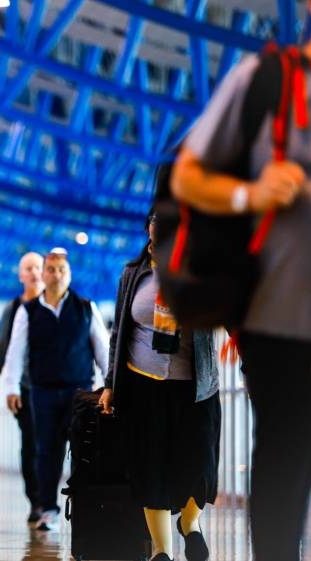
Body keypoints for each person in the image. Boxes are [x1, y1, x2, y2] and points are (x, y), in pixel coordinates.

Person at [171, 2, 311, 557]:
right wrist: (251, 193)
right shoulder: (266, 81)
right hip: (282, 318)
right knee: (288, 468)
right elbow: (187, 175)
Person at [99, 214, 220, 561]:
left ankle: (190, 523)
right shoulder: (132, 274)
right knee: (150, 466)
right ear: (149, 228)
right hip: (143, 384)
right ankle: (161, 550)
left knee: (201, 465)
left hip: (196, 385)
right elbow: (119, 334)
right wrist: (110, 384)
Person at [0, 248, 109, 532]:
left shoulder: (87, 308)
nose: (56, 274)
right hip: (42, 392)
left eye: (62, 269)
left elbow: (103, 351)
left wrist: (111, 385)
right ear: (43, 274)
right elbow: (15, 351)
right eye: (51, 269)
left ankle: (84, 509)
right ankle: (48, 509)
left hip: (81, 393)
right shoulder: (29, 311)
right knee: (46, 451)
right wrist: (11, 387)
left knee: (84, 452)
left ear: (69, 274)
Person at [0, 251, 44, 525]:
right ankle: (36, 501)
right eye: (28, 268)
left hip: (57, 389)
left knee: (53, 447)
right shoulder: (14, 309)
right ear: (21, 275)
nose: (33, 272)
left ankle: (51, 502)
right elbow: (0, 349)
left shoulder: (60, 306)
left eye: (38, 267)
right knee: (31, 446)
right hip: (26, 390)